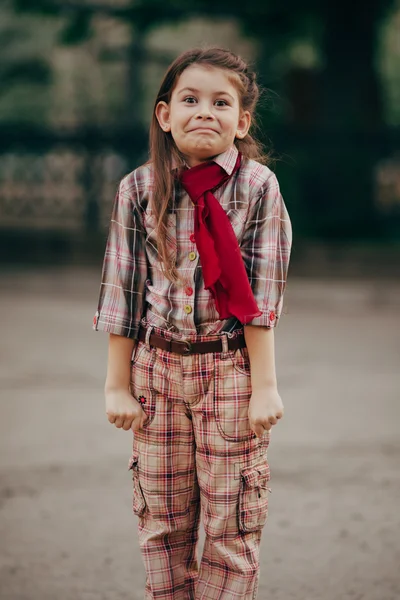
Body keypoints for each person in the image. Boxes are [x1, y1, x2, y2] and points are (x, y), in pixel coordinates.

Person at [93, 46, 292, 600]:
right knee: (163, 525)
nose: (205, 111)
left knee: (231, 527)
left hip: (229, 371)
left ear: (242, 121)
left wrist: (264, 386)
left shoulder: (258, 189)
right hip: (155, 374)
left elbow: (261, 296)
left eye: (221, 102)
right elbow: (122, 291)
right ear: (164, 115)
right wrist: (117, 385)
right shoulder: (138, 189)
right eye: (190, 99)